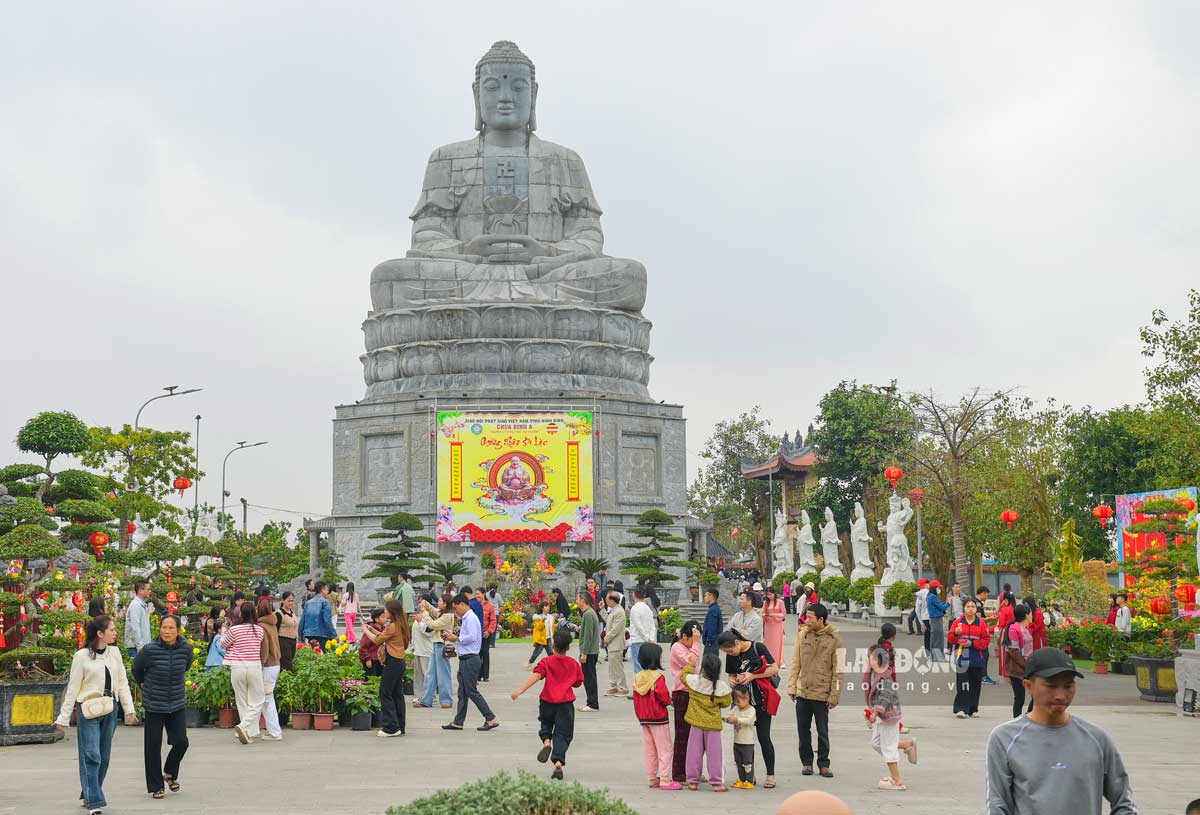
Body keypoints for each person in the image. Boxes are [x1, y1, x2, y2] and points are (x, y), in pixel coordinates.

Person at [985, 648, 1137, 814]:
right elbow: (998, 805)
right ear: (1028, 686)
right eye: (1051, 686)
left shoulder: (1097, 739)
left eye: (1068, 686)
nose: (1060, 695)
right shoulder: (1004, 739)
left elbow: (1124, 803)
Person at [55, 615, 138, 814]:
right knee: (92, 755)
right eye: (112, 630)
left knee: (105, 757)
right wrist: (63, 718)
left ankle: (89, 792)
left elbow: (122, 682)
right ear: (100, 633)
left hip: (110, 709)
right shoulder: (82, 656)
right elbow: (73, 689)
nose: (115, 633)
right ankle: (95, 801)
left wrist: (130, 710)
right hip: (89, 710)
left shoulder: (115, 653)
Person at [511, 629, 583, 781]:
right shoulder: (573, 664)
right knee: (563, 734)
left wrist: (520, 690)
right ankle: (558, 762)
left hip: (547, 701)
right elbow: (578, 683)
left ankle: (546, 741)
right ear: (568, 647)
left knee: (546, 724)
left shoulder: (546, 662)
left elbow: (537, 675)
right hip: (565, 704)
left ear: (553, 645)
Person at [131, 614, 190, 799]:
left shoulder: (186, 649)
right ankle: (157, 786)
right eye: (164, 627)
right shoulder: (149, 650)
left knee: (181, 742)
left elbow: (186, 666)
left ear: (178, 630)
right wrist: (142, 683)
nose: (167, 631)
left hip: (177, 702)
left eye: (171, 628)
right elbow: (136, 669)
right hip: (154, 704)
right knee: (153, 746)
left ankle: (170, 771)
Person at [787, 603, 843, 778]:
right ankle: (806, 762)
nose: (807, 620)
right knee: (803, 729)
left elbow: (839, 670)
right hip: (803, 691)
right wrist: (792, 686)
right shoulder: (802, 635)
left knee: (822, 730)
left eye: (811, 618)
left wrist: (834, 695)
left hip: (822, 692)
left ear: (821, 619)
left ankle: (824, 763)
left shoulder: (836, 639)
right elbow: (796, 662)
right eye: (807, 617)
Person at [719, 628, 780, 788]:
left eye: (731, 650)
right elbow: (731, 674)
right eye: (727, 652)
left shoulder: (757, 648)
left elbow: (774, 668)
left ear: (737, 642)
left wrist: (753, 676)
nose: (730, 654)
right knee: (745, 740)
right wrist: (732, 680)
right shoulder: (731, 655)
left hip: (761, 700)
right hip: (742, 703)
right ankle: (748, 776)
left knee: (764, 738)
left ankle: (771, 775)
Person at [864, 623, 918, 791]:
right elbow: (866, 684)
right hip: (882, 717)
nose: (869, 660)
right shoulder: (877, 673)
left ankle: (897, 780)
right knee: (876, 743)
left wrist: (875, 712)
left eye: (871, 658)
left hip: (888, 715)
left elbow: (885, 696)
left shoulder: (885, 678)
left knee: (887, 747)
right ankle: (906, 744)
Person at [442, 592, 499, 732]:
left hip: (471, 659)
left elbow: (473, 637)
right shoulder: (467, 618)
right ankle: (458, 721)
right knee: (462, 691)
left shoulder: (471, 618)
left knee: (471, 691)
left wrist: (457, 639)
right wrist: (456, 637)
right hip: (466, 658)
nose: (456, 611)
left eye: (456, 608)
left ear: (462, 604)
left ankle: (490, 717)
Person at [632, 642, 681, 790]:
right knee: (664, 749)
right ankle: (665, 779)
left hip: (644, 719)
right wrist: (670, 701)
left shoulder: (637, 677)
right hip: (658, 718)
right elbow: (664, 697)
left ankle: (652, 777)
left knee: (650, 749)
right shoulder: (658, 678)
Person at [683, 652, 732, 792]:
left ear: (702, 669)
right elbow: (726, 703)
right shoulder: (720, 687)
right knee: (714, 754)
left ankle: (692, 781)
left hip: (696, 724)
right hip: (713, 726)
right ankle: (716, 782)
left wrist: (690, 665)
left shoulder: (694, 682)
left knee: (693, 753)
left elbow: (683, 676)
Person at [221, 604, 266, 744]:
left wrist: (224, 630)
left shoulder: (234, 630)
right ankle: (246, 728)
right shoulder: (260, 630)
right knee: (257, 700)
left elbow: (223, 644)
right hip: (254, 666)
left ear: (241, 614)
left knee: (241, 701)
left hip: (237, 667)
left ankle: (246, 730)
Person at [367, 599, 411, 737]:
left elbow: (377, 640)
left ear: (392, 611)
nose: (384, 612)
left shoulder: (393, 626)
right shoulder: (400, 625)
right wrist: (372, 629)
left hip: (393, 663)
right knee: (397, 694)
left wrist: (365, 630)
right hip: (399, 662)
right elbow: (384, 636)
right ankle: (399, 725)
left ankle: (391, 727)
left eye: (386, 610)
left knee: (384, 693)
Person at [669, 621, 702, 783]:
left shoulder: (691, 647)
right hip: (682, 693)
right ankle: (679, 772)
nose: (695, 642)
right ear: (684, 636)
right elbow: (692, 662)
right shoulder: (677, 648)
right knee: (682, 734)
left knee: (695, 735)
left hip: (693, 692)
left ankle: (693, 770)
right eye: (693, 639)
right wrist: (695, 645)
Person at [949, 597, 990, 718]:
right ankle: (961, 709)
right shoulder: (958, 622)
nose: (970, 609)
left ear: (976, 609)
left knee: (975, 684)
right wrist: (956, 634)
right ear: (964, 608)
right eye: (968, 606)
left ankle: (973, 709)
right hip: (962, 657)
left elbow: (986, 640)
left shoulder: (981, 623)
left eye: (973, 607)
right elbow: (951, 639)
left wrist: (972, 644)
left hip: (977, 657)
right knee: (962, 683)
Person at [415, 593, 456, 709]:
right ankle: (426, 699)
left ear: (445, 604)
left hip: (442, 646)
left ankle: (446, 700)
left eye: (440, 601)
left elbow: (432, 624)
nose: (438, 603)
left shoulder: (447, 616)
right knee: (431, 674)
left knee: (443, 674)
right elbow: (434, 610)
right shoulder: (442, 613)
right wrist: (426, 604)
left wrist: (424, 612)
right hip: (436, 645)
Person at [255, 597, 283, 741]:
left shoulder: (261, 626)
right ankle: (272, 731)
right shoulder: (272, 623)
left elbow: (264, 649)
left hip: (267, 666)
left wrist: (259, 664)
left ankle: (275, 732)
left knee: (266, 699)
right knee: (266, 699)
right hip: (275, 664)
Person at [1003, 603, 1035, 719]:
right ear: (1026, 615)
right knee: (1019, 698)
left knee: (1036, 696)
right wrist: (1026, 665)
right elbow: (1013, 652)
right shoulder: (1014, 630)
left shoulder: (1026, 629)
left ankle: (1029, 717)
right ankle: (1016, 721)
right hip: (1017, 669)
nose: (1032, 615)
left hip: (1028, 667)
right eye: (1031, 613)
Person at [576, 591, 601, 712]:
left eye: (578, 599)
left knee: (589, 678)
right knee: (589, 677)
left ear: (583, 600)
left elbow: (588, 636)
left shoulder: (588, 614)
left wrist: (584, 653)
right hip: (590, 651)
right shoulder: (588, 613)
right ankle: (591, 702)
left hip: (589, 652)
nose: (577, 601)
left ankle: (592, 703)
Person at [727, 686, 757, 788]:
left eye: (738, 701)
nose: (737, 703)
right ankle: (742, 779)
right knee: (738, 762)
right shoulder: (735, 709)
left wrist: (736, 719)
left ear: (747, 698)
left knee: (747, 762)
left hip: (747, 742)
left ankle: (749, 780)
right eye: (735, 701)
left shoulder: (751, 710)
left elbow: (749, 721)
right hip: (737, 741)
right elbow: (730, 716)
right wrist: (728, 719)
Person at [298, 581, 336, 650]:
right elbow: (327, 620)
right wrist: (334, 634)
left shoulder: (308, 603)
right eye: (327, 589)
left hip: (310, 634)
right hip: (323, 634)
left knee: (313, 655)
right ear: (322, 589)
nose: (328, 591)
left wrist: (300, 635)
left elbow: (302, 619)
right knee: (323, 656)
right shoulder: (326, 602)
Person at [603, 591, 628, 696]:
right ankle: (613, 686)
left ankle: (623, 688)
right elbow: (608, 621)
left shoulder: (619, 611)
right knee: (612, 667)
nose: (605, 601)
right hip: (612, 643)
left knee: (617, 667)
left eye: (607, 599)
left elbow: (615, 629)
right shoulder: (614, 610)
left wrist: (606, 639)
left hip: (616, 643)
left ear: (612, 600)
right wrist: (602, 610)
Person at [628, 586, 656, 675]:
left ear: (634, 594)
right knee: (646, 666)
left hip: (637, 640)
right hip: (648, 641)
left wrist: (646, 637)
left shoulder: (634, 608)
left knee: (638, 667)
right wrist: (650, 638)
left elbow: (638, 625)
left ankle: (640, 687)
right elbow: (652, 625)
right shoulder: (648, 609)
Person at [409, 603, 434, 698]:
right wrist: (413, 649)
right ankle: (419, 696)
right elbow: (415, 635)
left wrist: (420, 622)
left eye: (422, 604)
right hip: (418, 650)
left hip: (426, 651)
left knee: (427, 676)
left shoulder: (431, 618)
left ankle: (430, 697)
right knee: (418, 677)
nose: (420, 605)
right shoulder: (420, 616)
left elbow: (428, 633)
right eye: (419, 603)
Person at [125, 580, 153, 657]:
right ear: (140, 590)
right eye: (148, 589)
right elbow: (135, 627)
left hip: (142, 646)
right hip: (136, 648)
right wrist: (139, 646)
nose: (149, 591)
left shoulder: (142, 604)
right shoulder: (135, 605)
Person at [976, 586, 998, 684]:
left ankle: (980, 676)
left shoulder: (977, 602)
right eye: (987, 594)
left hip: (978, 631)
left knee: (983, 654)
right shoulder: (977, 603)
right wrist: (991, 619)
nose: (987, 597)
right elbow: (978, 619)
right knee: (984, 654)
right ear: (982, 593)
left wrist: (989, 616)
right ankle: (983, 676)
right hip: (979, 632)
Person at [925, 580, 950, 661]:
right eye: (938, 587)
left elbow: (938, 606)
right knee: (939, 639)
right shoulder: (933, 597)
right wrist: (948, 602)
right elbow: (942, 607)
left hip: (933, 619)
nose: (939, 589)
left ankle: (933, 657)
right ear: (934, 588)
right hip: (936, 619)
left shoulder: (929, 596)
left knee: (934, 639)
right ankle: (939, 658)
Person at [762, 586, 787, 666]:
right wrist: (764, 615)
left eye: (770, 594)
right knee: (768, 643)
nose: (769, 596)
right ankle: (768, 660)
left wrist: (774, 614)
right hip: (768, 624)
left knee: (777, 643)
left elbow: (784, 614)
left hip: (777, 625)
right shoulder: (766, 602)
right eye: (767, 595)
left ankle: (777, 660)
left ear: (774, 593)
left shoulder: (780, 602)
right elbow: (762, 611)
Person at [476, 588, 497, 681]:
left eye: (479, 594)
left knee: (485, 653)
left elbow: (493, 620)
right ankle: (478, 675)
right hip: (476, 634)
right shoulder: (475, 605)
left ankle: (485, 675)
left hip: (485, 634)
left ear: (484, 594)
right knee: (477, 654)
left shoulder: (490, 606)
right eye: (476, 594)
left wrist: (489, 631)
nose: (477, 596)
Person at [529, 599, 556, 668]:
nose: (548, 608)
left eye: (548, 606)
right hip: (541, 638)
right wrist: (542, 621)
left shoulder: (550, 617)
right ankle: (530, 663)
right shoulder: (538, 617)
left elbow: (552, 627)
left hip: (548, 637)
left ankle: (554, 664)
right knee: (537, 652)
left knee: (551, 652)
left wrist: (556, 625)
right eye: (546, 606)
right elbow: (539, 627)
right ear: (542, 608)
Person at [360, 608, 386, 677]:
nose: (385, 619)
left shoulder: (384, 629)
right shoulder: (370, 629)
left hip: (380, 659)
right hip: (372, 659)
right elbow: (364, 645)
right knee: (371, 679)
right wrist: (367, 659)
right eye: (383, 617)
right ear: (376, 619)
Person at [277, 592, 298, 671]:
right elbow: (276, 629)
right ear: (283, 600)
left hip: (293, 640)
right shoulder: (279, 613)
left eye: (292, 601)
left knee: (291, 661)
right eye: (289, 601)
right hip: (283, 641)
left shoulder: (293, 613)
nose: (291, 603)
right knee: (287, 664)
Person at [701, 588, 722, 657]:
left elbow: (712, 627)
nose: (705, 598)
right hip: (713, 642)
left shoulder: (713, 609)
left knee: (709, 664)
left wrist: (709, 641)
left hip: (711, 643)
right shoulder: (714, 608)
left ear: (711, 596)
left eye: (706, 596)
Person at [914, 578, 931, 654]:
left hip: (924, 618)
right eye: (928, 583)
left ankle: (928, 653)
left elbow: (917, 610)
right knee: (932, 637)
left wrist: (921, 623)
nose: (929, 585)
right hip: (931, 618)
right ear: (925, 584)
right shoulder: (929, 593)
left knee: (927, 637)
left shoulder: (918, 595)